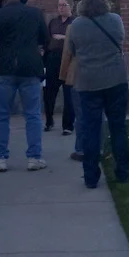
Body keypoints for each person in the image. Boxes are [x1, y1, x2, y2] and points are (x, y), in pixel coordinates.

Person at [68, 0, 129, 189]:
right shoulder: (115, 20)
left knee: (91, 129)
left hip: (88, 81)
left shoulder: (76, 25)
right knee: (118, 126)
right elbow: (120, 41)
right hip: (116, 78)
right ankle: (123, 172)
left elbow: (72, 50)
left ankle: (91, 176)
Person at [0, 0, 50, 172]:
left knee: (1, 115)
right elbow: (46, 39)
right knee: (33, 114)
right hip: (30, 68)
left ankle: (0, 158)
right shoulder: (35, 13)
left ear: (3, 1)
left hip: (5, 69)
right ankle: (34, 157)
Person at [43, 0, 76, 134]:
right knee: (48, 92)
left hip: (68, 60)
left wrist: (63, 38)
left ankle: (67, 126)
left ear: (71, 7)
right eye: (59, 5)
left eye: (64, 5)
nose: (61, 8)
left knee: (69, 94)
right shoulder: (53, 22)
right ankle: (49, 121)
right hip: (52, 59)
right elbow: (46, 39)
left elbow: (77, 40)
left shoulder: (75, 22)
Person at [58, 24, 84, 161]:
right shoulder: (111, 22)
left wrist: (63, 75)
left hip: (78, 73)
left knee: (80, 115)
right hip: (102, 75)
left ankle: (81, 149)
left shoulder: (73, 27)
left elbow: (67, 52)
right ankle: (99, 148)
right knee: (99, 114)